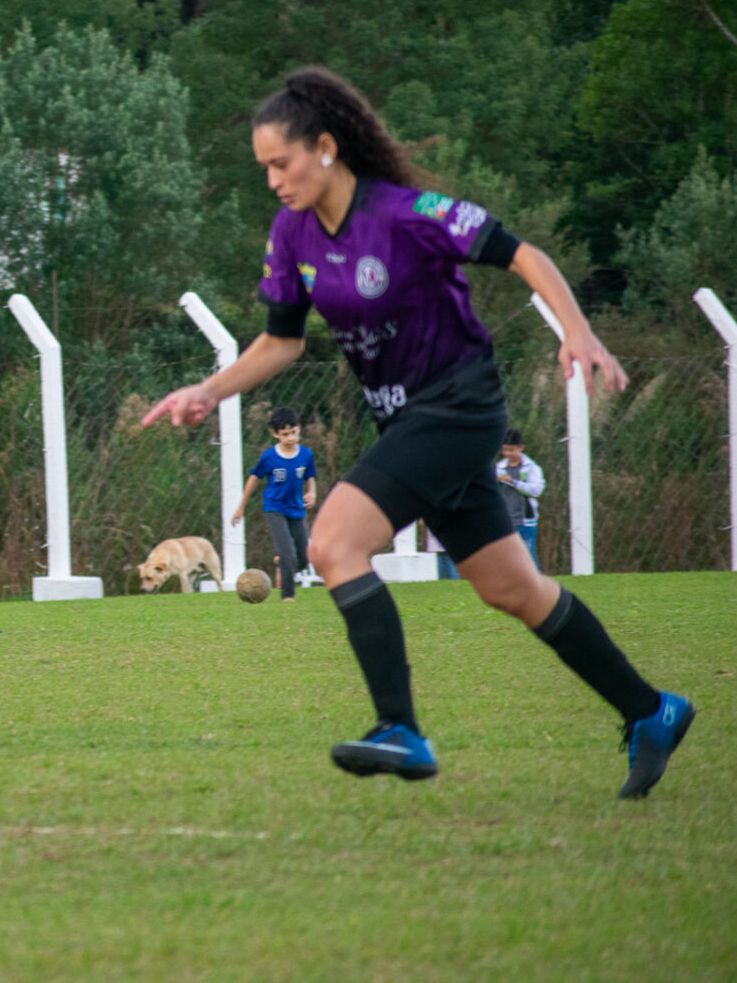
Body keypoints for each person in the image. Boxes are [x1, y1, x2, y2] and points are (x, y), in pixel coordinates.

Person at [143, 66, 693, 799]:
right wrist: (208, 390)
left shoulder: (409, 213)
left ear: (327, 147)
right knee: (512, 588)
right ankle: (651, 710)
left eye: (282, 163)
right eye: (264, 168)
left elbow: (522, 252)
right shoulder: (292, 233)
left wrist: (578, 331)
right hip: (409, 420)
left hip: (459, 407)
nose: (273, 180)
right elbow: (281, 342)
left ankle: (398, 727)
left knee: (334, 542)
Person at [231, 406, 318, 602]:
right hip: (274, 508)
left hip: (297, 509)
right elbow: (254, 478)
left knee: (303, 559)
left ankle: (283, 565)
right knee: (287, 552)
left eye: (294, 432)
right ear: (275, 434)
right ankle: (288, 595)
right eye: (285, 434)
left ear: (299, 429)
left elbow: (310, 477)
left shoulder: (306, 455)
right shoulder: (269, 457)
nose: (290, 438)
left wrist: (312, 493)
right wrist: (240, 507)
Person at [496, 428, 546, 567]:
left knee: (528, 557)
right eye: (505, 450)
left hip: (524, 521)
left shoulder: (531, 468)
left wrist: (514, 482)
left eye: (511, 450)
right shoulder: (499, 467)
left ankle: (537, 586)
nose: (507, 454)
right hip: (505, 520)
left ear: (521, 448)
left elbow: (536, 490)